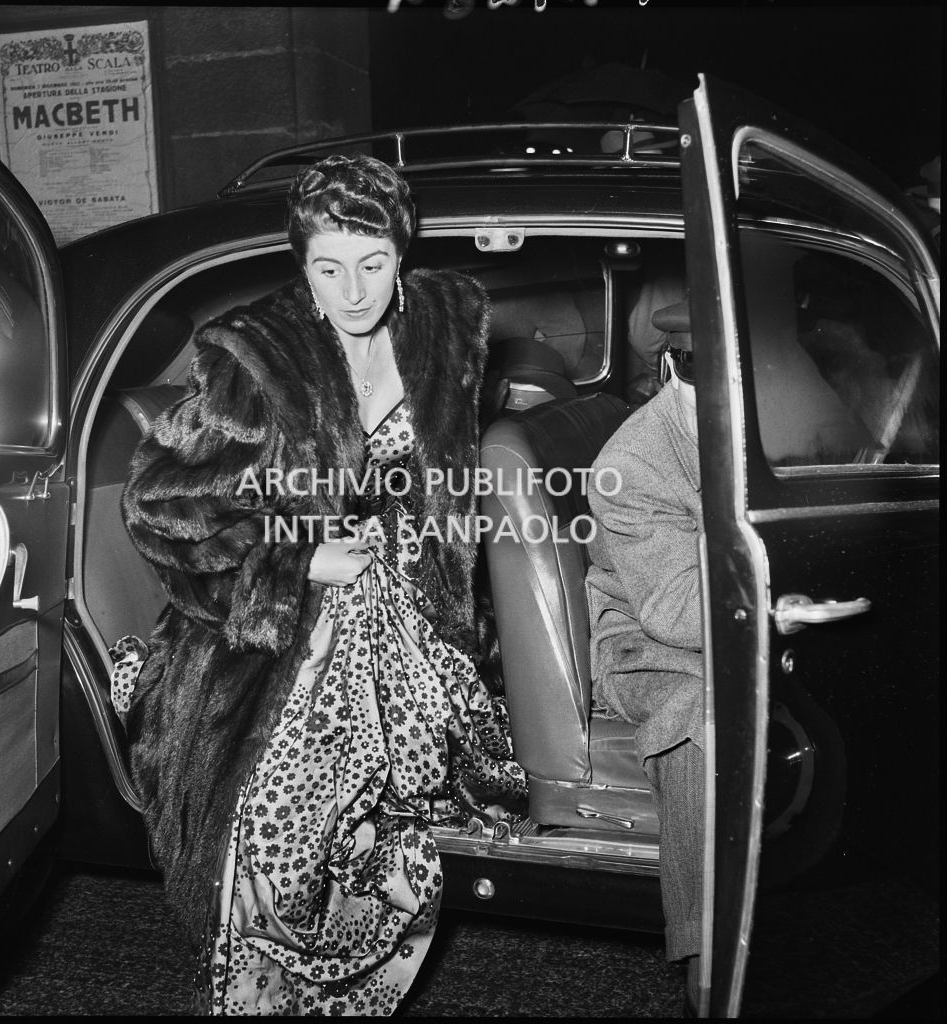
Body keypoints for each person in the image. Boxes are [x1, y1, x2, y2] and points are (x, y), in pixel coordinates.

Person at [118, 154, 527, 1015]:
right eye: (328, 268)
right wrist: (298, 558)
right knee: (282, 830)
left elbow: (441, 483)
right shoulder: (257, 357)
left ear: (402, 255)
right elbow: (158, 504)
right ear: (300, 265)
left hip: (407, 598)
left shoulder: (442, 331)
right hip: (282, 617)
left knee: (402, 818)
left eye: (373, 264)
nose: (353, 292)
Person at [585, 297, 705, 1010]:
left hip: (713, 619)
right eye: (699, 374)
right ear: (671, 368)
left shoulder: (775, 423)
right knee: (700, 708)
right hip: (641, 640)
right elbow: (680, 612)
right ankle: (706, 956)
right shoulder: (634, 462)